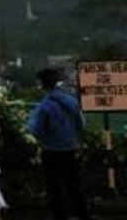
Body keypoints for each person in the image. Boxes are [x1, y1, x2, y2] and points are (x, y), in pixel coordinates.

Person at [27, 68, 91, 220]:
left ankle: (59, 216)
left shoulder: (45, 105)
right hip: (70, 149)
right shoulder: (72, 101)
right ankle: (83, 214)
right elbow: (81, 124)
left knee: (54, 187)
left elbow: (36, 129)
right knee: (74, 185)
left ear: (43, 84)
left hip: (51, 151)